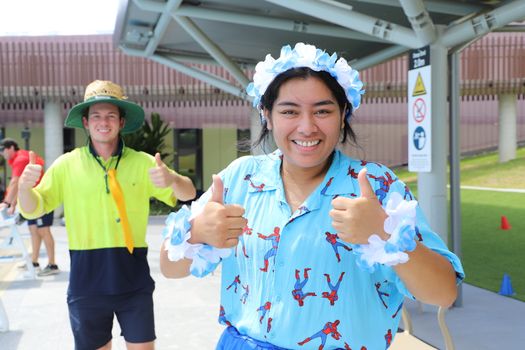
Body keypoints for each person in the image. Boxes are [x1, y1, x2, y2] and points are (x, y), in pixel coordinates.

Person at [160, 43, 465, 349]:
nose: (307, 127)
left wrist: (385, 234)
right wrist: (197, 232)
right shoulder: (240, 178)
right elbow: (171, 268)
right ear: (266, 114)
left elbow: (443, 293)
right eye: (289, 111)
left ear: (344, 113)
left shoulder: (377, 186)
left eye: (322, 111)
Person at [17, 80, 197, 350]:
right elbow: (34, 207)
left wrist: (170, 177)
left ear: (121, 122)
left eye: (111, 115)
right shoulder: (67, 165)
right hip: (86, 282)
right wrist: (23, 187)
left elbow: (188, 193)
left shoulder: (144, 162)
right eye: (97, 116)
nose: (104, 122)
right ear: (86, 123)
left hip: (133, 280)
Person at [0, 138, 59, 276]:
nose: (2, 154)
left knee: (44, 231)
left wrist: (7, 202)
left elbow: (14, 182)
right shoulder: (16, 160)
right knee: (33, 230)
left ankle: (52, 264)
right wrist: (13, 204)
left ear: (11, 148)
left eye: (2, 150)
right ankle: (34, 261)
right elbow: (20, 185)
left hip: (41, 199)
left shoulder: (20, 158)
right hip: (30, 200)